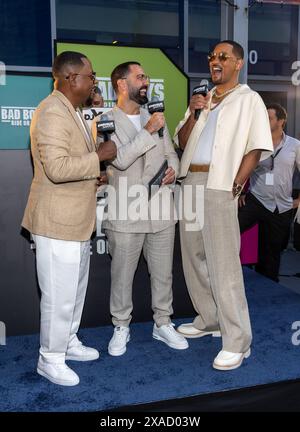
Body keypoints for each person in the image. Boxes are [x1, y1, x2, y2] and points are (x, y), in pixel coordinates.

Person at [174, 40, 273, 370]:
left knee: (224, 264)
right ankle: (210, 319)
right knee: (193, 257)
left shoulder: (249, 100)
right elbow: (182, 141)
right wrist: (195, 112)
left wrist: (237, 183)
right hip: (190, 182)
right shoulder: (202, 99)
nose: (215, 61)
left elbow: (256, 147)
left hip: (220, 185)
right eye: (212, 57)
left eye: (223, 57)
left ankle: (238, 340)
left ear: (238, 64)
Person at [22, 51, 117, 386]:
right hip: (56, 221)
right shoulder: (51, 112)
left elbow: (72, 165)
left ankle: (68, 341)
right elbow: (57, 169)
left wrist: (95, 175)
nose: (94, 81)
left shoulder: (72, 111)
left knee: (74, 293)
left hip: (76, 221)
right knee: (58, 296)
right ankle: (49, 358)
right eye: (90, 75)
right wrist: (98, 157)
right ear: (71, 78)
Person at [93, 61, 188, 356]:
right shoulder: (106, 120)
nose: (146, 81)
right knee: (122, 276)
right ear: (122, 84)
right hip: (125, 213)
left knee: (163, 274)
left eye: (146, 76)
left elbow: (172, 153)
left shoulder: (157, 117)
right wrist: (147, 131)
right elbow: (118, 160)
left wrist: (173, 169)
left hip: (160, 210)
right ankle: (121, 326)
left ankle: (163, 323)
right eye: (140, 76)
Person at [238, 103, 300, 282]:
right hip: (256, 200)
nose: (265, 121)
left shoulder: (295, 146)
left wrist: (298, 201)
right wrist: (241, 191)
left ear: (281, 121)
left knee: (272, 252)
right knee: (232, 229)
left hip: (281, 206)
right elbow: (243, 168)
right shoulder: (256, 142)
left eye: (269, 118)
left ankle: (270, 286)